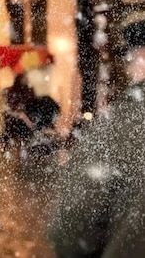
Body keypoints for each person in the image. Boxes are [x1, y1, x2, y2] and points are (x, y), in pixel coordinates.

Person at [48, 15, 145, 257]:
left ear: (141, 56)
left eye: (129, 56)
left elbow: (71, 225)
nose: (128, 64)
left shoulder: (123, 124)